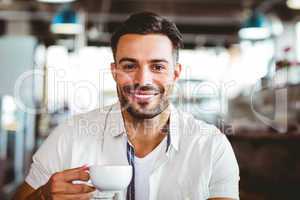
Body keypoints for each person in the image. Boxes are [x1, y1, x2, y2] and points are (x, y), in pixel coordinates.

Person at [13, 12, 239, 200]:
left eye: (158, 67)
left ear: (175, 73)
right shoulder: (69, 136)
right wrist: (42, 196)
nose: (143, 80)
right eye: (130, 66)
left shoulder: (211, 146)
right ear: (114, 72)